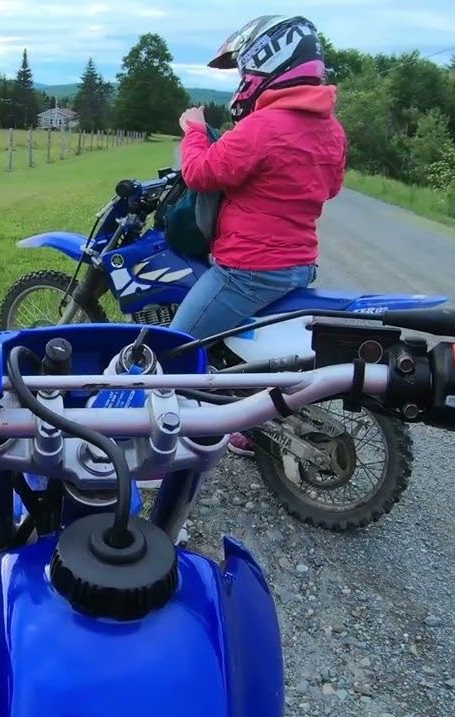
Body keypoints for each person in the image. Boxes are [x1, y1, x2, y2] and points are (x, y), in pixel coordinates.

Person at [171, 14, 347, 457]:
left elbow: (199, 172)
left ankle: (157, 456)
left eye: (245, 68)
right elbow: (330, 186)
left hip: (247, 270)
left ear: (269, 60)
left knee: (170, 353)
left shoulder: (263, 127)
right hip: (298, 266)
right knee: (252, 355)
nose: (243, 79)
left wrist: (194, 129)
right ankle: (251, 428)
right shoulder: (332, 130)